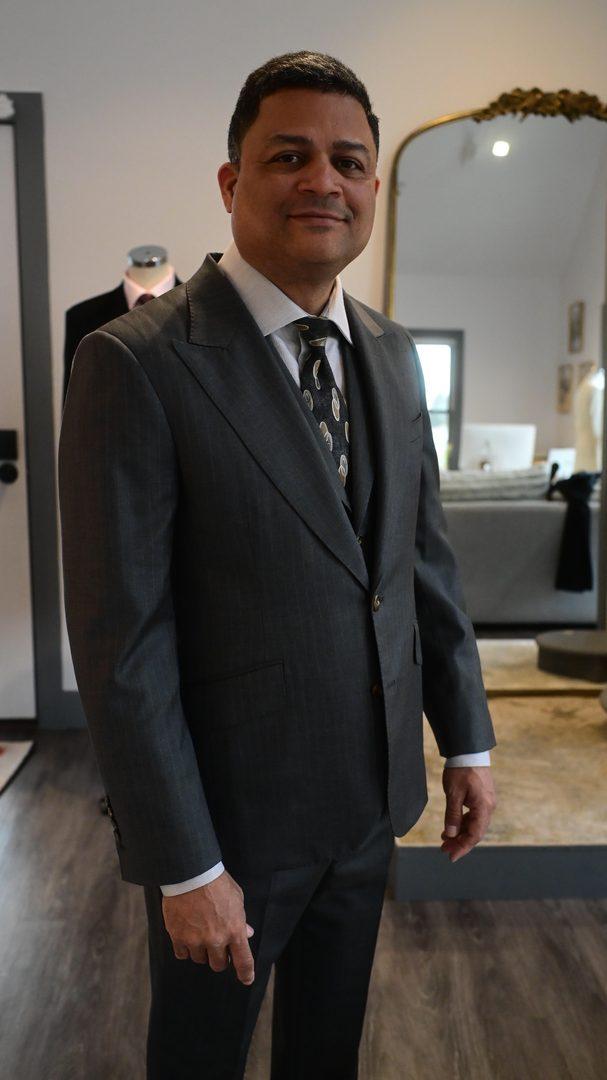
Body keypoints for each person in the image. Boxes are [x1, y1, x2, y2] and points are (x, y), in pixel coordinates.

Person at [58, 50, 497, 1080]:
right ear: (231, 182)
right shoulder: (136, 363)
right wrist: (185, 864)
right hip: (231, 828)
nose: (322, 181)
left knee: (326, 1057)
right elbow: (123, 640)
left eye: (348, 160)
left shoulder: (390, 354)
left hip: (368, 805)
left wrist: (464, 740)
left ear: (373, 188)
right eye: (288, 155)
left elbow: (419, 562)